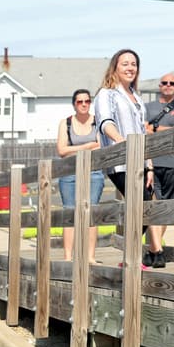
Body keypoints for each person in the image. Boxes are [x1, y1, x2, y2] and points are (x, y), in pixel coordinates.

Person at [93, 48, 154, 265]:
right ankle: (130, 257)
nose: (130, 68)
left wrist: (149, 165)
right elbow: (105, 123)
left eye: (134, 64)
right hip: (120, 162)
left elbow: (143, 132)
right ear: (115, 68)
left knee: (145, 208)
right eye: (125, 64)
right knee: (143, 206)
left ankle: (131, 257)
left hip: (140, 160)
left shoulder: (136, 97)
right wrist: (122, 143)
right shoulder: (106, 93)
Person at [144, 73, 174, 269]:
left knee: (165, 208)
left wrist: (154, 128)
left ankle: (152, 250)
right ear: (159, 86)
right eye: (165, 83)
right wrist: (165, 129)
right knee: (153, 205)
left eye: (172, 83)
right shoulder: (148, 107)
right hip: (152, 163)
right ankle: (158, 252)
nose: (168, 85)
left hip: (173, 162)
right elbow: (143, 129)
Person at [57, 88, 106, 262]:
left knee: (92, 211)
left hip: (94, 172)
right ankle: (68, 257)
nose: (84, 104)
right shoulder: (66, 123)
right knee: (69, 212)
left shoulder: (98, 121)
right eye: (80, 101)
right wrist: (88, 146)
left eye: (87, 101)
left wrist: (75, 149)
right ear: (74, 104)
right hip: (69, 172)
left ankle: (90, 256)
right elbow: (62, 150)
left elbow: (102, 146)